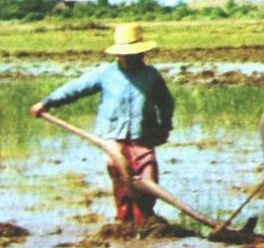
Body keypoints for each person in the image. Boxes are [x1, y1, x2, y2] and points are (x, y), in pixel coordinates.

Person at [30, 23, 175, 224]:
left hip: (143, 135)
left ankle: (146, 220)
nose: (131, 58)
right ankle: (125, 222)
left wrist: (164, 127)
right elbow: (75, 88)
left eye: (135, 54)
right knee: (120, 175)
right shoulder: (105, 73)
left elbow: (166, 102)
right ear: (118, 55)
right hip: (113, 136)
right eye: (126, 55)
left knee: (149, 179)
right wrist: (47, 102)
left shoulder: (151, 75)